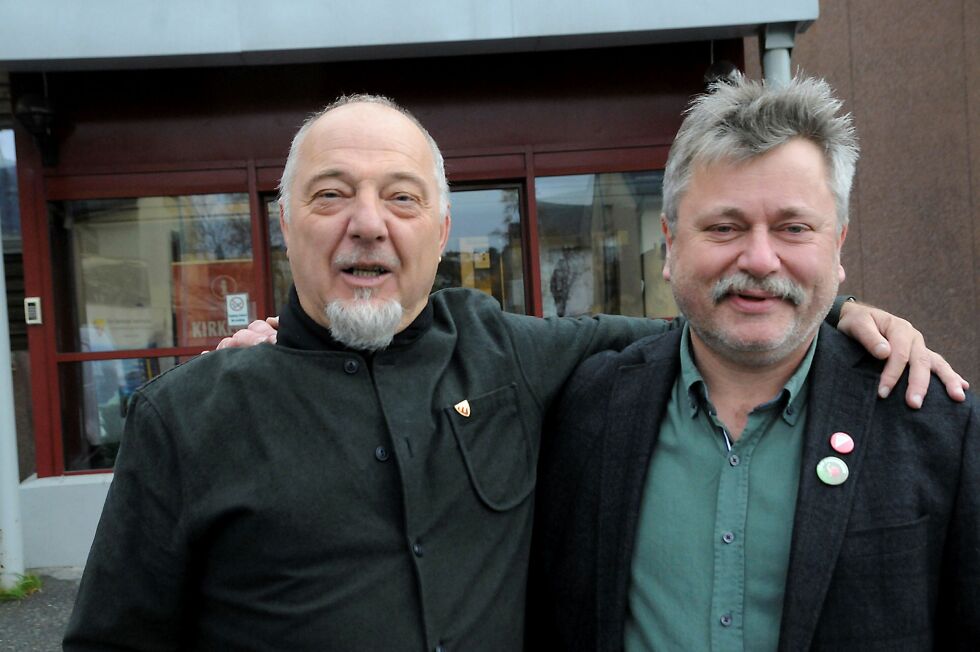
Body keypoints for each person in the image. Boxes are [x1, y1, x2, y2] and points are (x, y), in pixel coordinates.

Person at [64, 94, 966, 652]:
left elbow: (720, 309)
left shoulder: (522, 358)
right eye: (330, 194)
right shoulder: (187, 418)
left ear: (443, 228)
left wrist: (846, 312)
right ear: (284, 225)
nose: (368, 223)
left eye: (402, 197)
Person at [527, 75, 978, 651]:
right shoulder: (586, 408)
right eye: (724, 227)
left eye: (794, 228)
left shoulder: (934, 423)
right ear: (670, 244)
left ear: (837, 245)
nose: (761, 259)